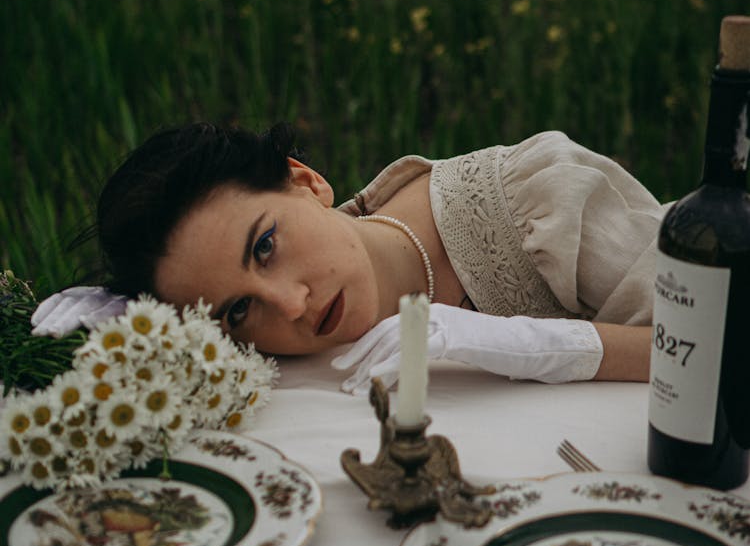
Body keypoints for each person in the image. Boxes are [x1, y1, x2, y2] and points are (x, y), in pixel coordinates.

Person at [32, 122, 666, 391]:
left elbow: (718, 349)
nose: (291, 306)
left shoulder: (535, 201)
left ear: (305, 181)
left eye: (265, 245)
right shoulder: (256, 349)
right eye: (238, 310)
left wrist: (546, 345)